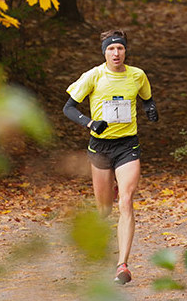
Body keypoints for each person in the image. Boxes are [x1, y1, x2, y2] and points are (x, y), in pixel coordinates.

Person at [63, 29, 158, 285]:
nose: (116, 53)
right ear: (104, 52)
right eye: (111, 49)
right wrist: (90, 122)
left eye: (120, 48)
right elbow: (69, 108)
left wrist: (150, 109)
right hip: (100, 148)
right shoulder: (93, 76)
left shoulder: (137, 75)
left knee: (126, 201)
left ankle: (122, 266)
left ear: (126, 51)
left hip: (128, 146)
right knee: (104, 210)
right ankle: (110, 192)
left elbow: (147, 98)